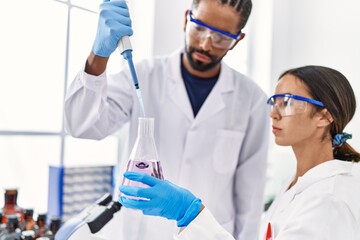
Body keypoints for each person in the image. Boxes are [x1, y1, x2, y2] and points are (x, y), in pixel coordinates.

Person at [64, 0, 269, 239]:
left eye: (222, 37)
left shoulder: (252, 100)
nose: (206, 44)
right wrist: (98, 55)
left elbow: (250, 201)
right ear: (186, 19)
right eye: (199, 27)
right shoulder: (143, 75)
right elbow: (81, 125)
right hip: (142, 232)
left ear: (238, 39)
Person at [119, 65, 360, 240]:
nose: (273, 114)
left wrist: (190, 214)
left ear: (324, 116)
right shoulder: (298, 185)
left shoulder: (328, 200)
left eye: (287, 102)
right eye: (274, 101)